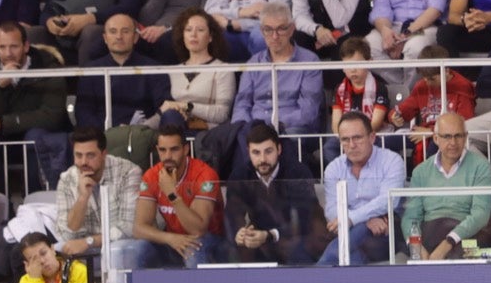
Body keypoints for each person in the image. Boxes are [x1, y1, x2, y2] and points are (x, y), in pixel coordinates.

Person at [0, 23, 71, 189]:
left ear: (26, 46)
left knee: (35, 137)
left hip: (36, 136)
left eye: (14, 46)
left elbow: (52, 116)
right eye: (2, 47)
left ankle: (35, 198)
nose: (8, 53)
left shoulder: (48, 67)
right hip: (2, 139)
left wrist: (3, 123)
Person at [225, 121, 323, 265]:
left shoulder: (297, 172)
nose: (263, 159)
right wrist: (240, 233)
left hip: (296, 239)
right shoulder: (241, 175)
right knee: (232, 251)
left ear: (279, 149)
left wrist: (271, 235)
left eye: (268, 151)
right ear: (248, 152)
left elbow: (304, 220)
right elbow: (232, 214)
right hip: (260, 240)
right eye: (256, 153)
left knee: (298, 252)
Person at [398, 111, 491, 258]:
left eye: (458, 136)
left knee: (463, 256)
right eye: (447, 136)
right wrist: (417, 247)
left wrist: (448, 243)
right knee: (400, 260)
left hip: (466, 236)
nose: (453, 143)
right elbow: (411, 217)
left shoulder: (480, 166)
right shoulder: (421, 171)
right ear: (436, 138)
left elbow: (480, 215)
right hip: (430, 235)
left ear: (466, 136)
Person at [317, 111, 405, 265]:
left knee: (356, 235)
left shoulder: (392, 161)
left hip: (385, 232)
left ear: (372, 137)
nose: (351, 145)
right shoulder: (333, 168)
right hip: (351, 234)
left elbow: (387, 201)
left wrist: (353, 218)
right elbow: (332, 210)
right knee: (353, 252)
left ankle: (320, 271)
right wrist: (366, 220)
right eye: (345, 139)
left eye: (357, 138)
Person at [132, 126, 224, 268]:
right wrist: (170, 238)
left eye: (174, 149)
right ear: (157, 150)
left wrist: (172, 194)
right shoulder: (151, 175)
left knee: (192, 249)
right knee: (136, 249)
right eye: (163, 150)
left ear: (186, 149)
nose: (168, 156)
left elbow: (197, 230)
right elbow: (139, 228)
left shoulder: (205, 174)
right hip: (173, 240)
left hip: (210, 241)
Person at [229, 3, 322, 137]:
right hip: (254, 129)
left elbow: (308, 110)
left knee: (290, 137)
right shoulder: (254, 63)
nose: (275, 36)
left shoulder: (310, 61)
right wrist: (245, 128)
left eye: (281, 29)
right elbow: (242, 104)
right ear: (261, 31)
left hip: (291, 128)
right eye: (268, 29)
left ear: (292, 29)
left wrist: (276, 126)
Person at [54, 126, 143, 257]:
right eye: (78, 155)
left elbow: (128, 229)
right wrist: (83, 198)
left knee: (117, 251)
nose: (83, 162)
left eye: (90, 155)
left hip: (123, 246)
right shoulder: (67, 179)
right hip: (85, 247)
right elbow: (66, 234)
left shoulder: (128, 172)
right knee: (53, 251)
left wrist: (89, 241)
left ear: (103, 154)